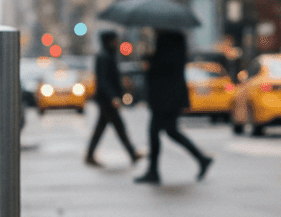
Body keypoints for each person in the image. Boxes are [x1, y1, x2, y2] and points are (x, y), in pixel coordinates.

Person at [135, 29, 212, 184]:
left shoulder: (166, 45)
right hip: (170, 99)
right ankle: (201, 158)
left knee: (155, 132)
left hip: (165, 99)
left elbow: (161, 70)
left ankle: (153, 171)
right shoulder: (176, 45)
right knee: (170, 131)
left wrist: (149, 60)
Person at [85, 31, 142, 166]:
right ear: (109, 41)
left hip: (107, 99)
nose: (117, 42)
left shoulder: (108, 55)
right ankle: (132, 153)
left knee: (106, 127)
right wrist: (113, 97)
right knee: (118, 127)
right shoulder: (104, 56)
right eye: (115, 40)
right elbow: (104, 81)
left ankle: (90, 155)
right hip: (107, 100)